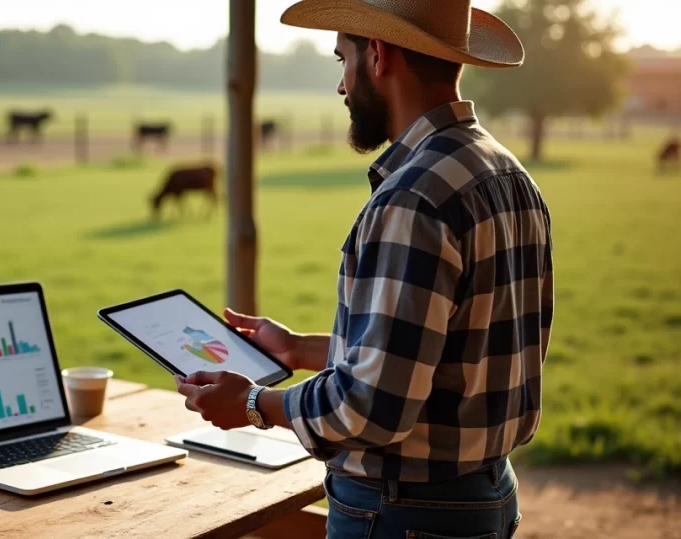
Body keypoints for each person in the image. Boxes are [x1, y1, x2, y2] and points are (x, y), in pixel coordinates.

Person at [174, 1, 553, 537]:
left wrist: (257, 403)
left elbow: (373, 407)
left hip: (405, 513)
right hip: (486, 495)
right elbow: (436, 359)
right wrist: (302, 350)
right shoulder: (507, 174)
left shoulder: (413, 198)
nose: (340, 87)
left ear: (377, 56)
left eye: (340, 61)